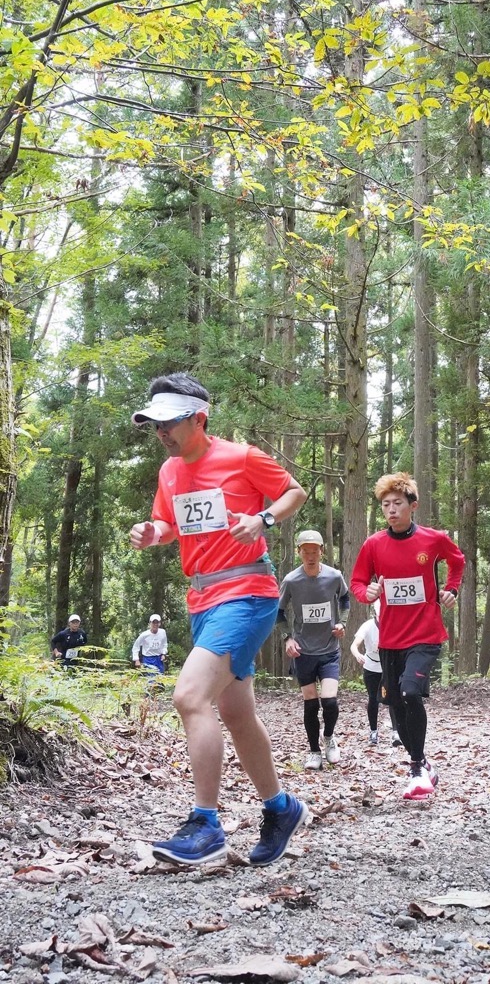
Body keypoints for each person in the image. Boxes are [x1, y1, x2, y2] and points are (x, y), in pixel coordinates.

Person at [129, 372, 309, 867]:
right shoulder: (169, 472)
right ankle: (281, 807)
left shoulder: (241, 456)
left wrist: (264, 519)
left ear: (199, 418)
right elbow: (170, 525)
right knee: (234, 712)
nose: (160, 432)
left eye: (168, 423)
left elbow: (294, 491)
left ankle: (205, 825)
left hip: (248, 590)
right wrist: (153, 532)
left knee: (189, 696)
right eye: (154, 424)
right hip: (202, 600)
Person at [350, 472, 465, 799]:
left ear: (412, 506)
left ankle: (415, 767)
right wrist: (368, 592)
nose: (391, 510)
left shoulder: (433, 540)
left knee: (411, 692)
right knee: (395, 703)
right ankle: (425, 763)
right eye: (386, 505)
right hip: (389, 639)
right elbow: (358, 582)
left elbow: (457, 561)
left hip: (425, 634)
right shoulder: (374, 545)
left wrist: (451, 589)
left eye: (397, 503)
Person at [277, 529, 350, 769]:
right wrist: (288, 638)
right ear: (299, 553)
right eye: (306, 551)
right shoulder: (291, 580)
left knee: (329, 702)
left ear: (321, 551)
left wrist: (342, 622)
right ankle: (314, 751)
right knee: (310, 702)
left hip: (329, 649)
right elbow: (278, 612)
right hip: (304, 651)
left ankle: (329, 738)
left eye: (315, 551)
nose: (311, 556)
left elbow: (345, 599)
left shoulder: (333, 576)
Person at [350, 601, 401, 746]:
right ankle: (373, 732)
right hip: (371, 667)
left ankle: (396, 733)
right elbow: (354, 645)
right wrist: (358, 655)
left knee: (392, 698)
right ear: (375, 614)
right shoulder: (367, 626)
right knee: (373, 699)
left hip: (388, 666)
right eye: (380, 615)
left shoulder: (392, 624)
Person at [132, 614, 168, 679]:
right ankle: (150, 688)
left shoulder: (162, 632)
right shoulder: (144, 635)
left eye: (157, 622)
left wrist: (163, 653)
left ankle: (160, 689)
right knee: (151, 679)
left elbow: (164, 644)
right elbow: (136, 646)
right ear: (150, 623)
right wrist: (136, 660)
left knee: (160, 678)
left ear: (159, 623)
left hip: (159, 659)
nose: (155, 624)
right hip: (148, 659)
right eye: (153, 622)